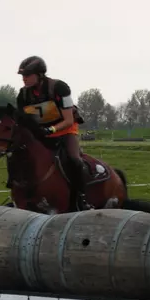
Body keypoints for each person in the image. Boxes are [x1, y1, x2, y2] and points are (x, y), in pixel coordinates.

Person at [14, 55, 92, 211]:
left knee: (75, 160)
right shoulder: (23, 95)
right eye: (23, 76)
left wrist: (52, 129)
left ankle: (81, 199)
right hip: (41, 134)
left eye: (28, 75)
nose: (24, 79)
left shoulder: (60, 88)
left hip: (65, 130)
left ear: (40, 75)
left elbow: (69, 120)